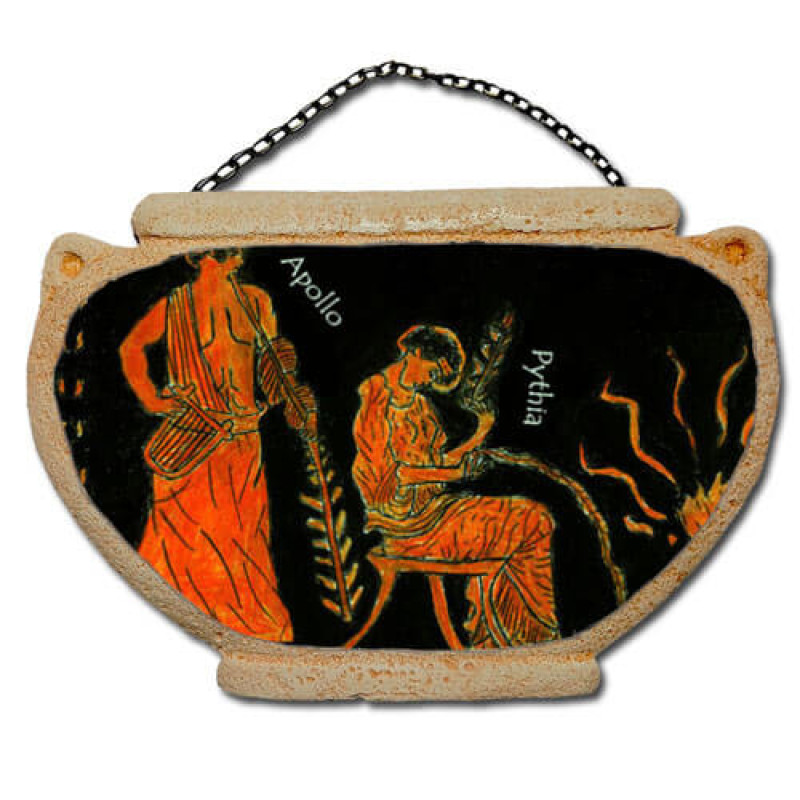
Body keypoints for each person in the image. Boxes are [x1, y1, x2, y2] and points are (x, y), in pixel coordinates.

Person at [119, 248, 293, 641]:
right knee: (185, 536)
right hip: (195, 438)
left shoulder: (256, 301)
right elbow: (131, 348)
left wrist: (284, 380)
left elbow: (270, 371)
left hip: (243, 440)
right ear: (217, 253)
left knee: (245, 536)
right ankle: (176, 622)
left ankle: (247, 624)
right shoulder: (175, 306)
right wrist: (153, 401)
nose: (243, 254)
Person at [351, 325, 559, 647]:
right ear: (415, 353)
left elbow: (438, 461)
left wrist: (479, 434)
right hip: (409, 527)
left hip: (436, 512)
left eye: (436, 376)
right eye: (432, 371)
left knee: (533, 516)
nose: (429, 381)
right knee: (530, 523)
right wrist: (452, 475)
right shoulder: (377, 396)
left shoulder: (419, 405)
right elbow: (390, 475)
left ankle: (507, 635)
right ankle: (523, 638)